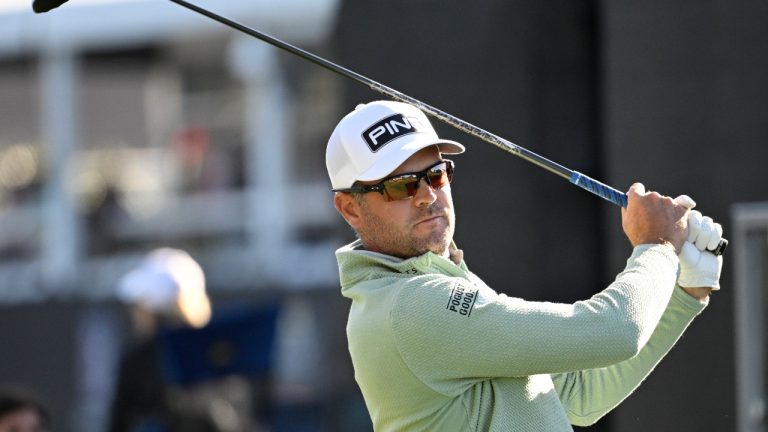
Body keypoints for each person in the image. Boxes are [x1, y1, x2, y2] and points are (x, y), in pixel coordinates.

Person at [326, 100, 724, 431]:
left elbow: (580, 394)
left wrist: (686, 289)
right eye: (401, 186)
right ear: (350, 209)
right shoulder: (410, 308)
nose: (428, 196)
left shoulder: (436, 281)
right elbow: (615, 329)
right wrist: (656, 245)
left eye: (437, 173)